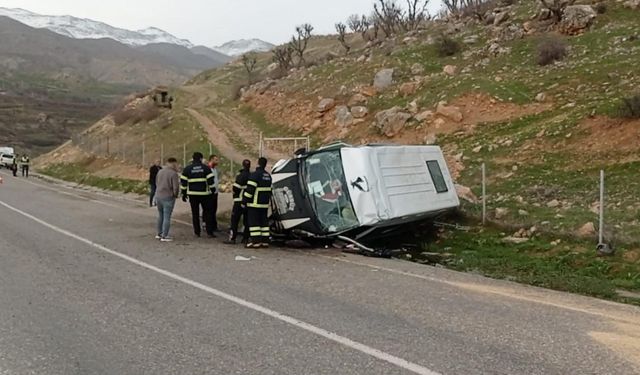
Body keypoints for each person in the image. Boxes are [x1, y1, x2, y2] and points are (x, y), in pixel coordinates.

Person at [181, 152, 216, 238]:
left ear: (193, 159)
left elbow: (183, 183)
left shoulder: (187, 169)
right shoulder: (206, 168)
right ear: (201, 159)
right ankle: (209, 232)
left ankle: (197, 232)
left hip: (193, 195)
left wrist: (184, 194)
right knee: (207, 213)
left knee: (195, 213)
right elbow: (211, 181)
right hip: (205, 194)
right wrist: (213, 190)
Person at [243, 157, 272, 248]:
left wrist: (244, 201)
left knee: (254, 223)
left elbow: (250, 190)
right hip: (264, 204)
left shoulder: (255, 175)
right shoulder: (268, 176)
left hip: (254, 204)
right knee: (264, 223)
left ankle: (255, 242)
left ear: (258, 163)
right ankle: (265, 241)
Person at [224, 159, 251, 245]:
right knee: (247, 221)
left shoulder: (241, 176)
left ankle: (232, 238)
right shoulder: (251, 176)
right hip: (248, 202)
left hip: (239, 201)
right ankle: (246, 238)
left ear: (242, 165)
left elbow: (236, 187)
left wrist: (235, 194)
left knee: (234, 220)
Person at [154, 158, 180, 242]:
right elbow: (175, 187)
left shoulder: (160, 171)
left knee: (161, 215)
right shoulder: (173, 174)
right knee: (167, 216)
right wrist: (175, 195)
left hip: (159, 196)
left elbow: (156, 183)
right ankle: (165, 236)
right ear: (174, 164)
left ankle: (159, 233)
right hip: (168, 197)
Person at [208, 155, 220, 231]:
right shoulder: (208, 169)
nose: (217, 161)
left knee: (214, 209)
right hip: (209, 192)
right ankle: (208, 225)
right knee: (210, 209)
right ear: (211, 160)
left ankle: (214, 225)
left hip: (215, 192)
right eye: (216, 160)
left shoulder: (214, 169)